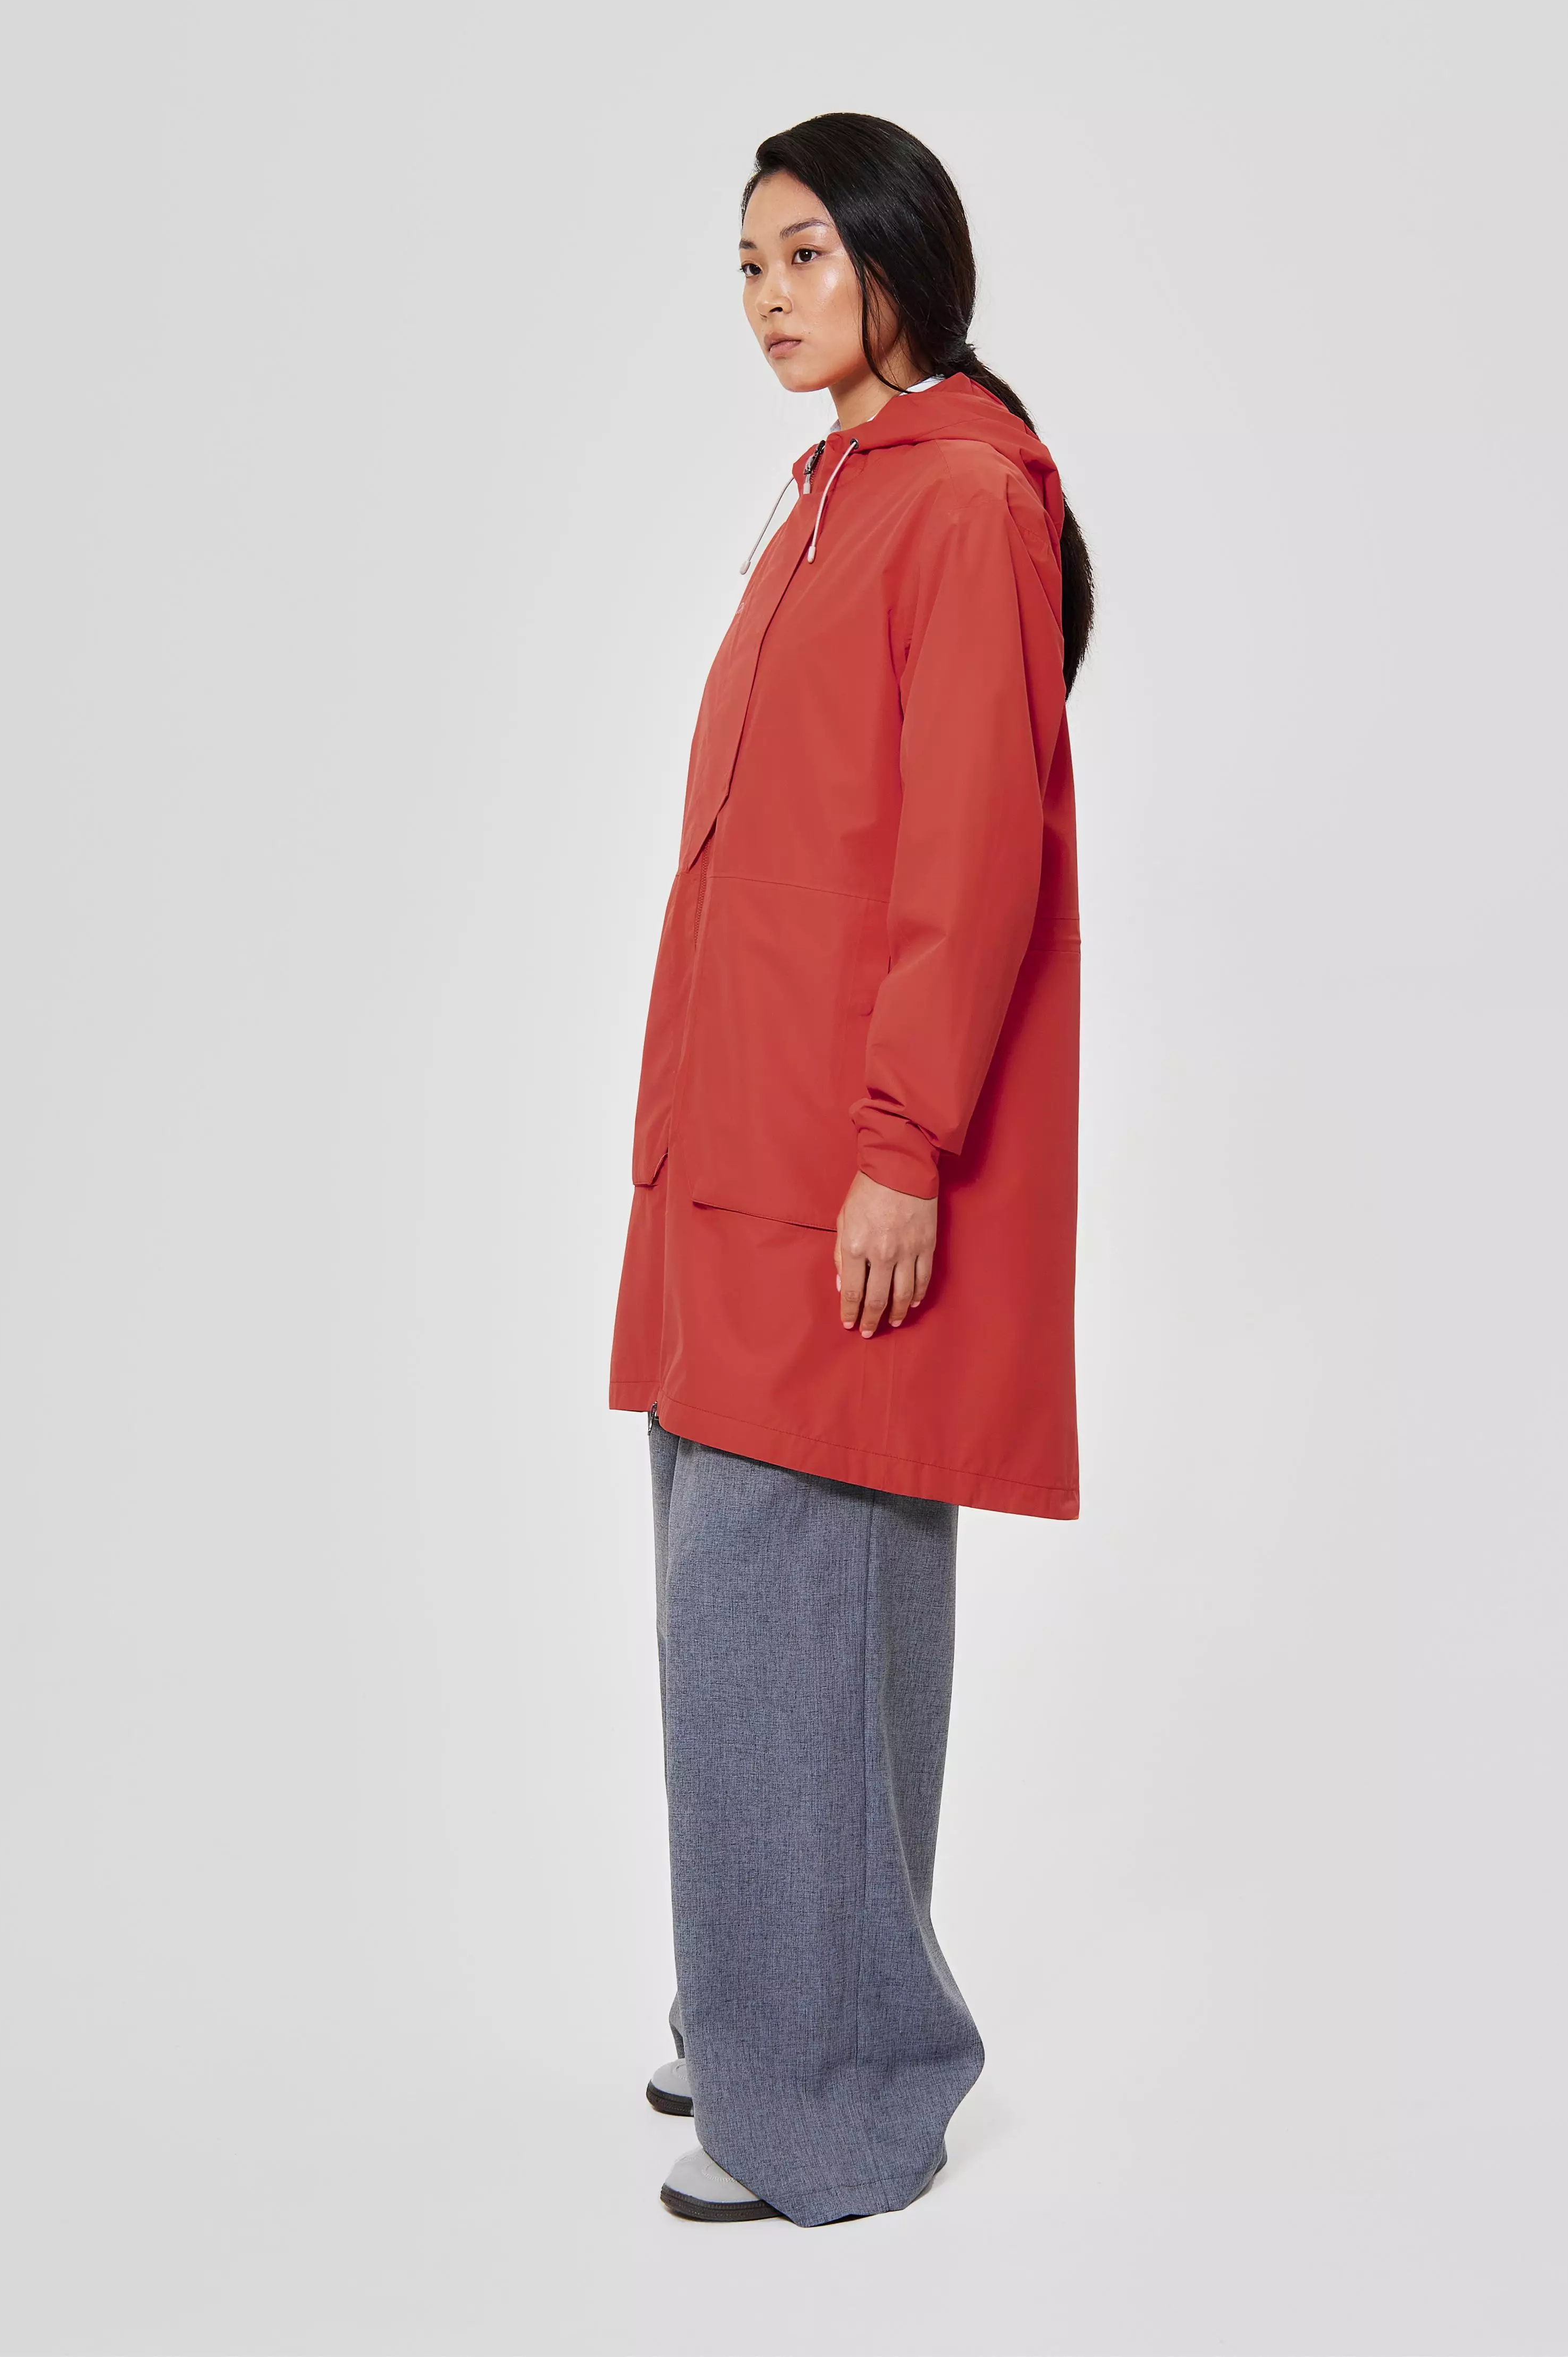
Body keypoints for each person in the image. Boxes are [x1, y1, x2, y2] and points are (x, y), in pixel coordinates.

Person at [609, 110, 1092, 2227]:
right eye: (748, 263)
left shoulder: (962, 500)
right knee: (743, 1628)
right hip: (731, 1162)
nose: (771, 297)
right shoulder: (831, 499)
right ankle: (761, 2007)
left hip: (843, 1184)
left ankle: (832, 2087)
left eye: (807, 251)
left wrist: (904, 1145)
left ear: (904, 256)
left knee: (791, 1628)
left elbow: (971, 855)